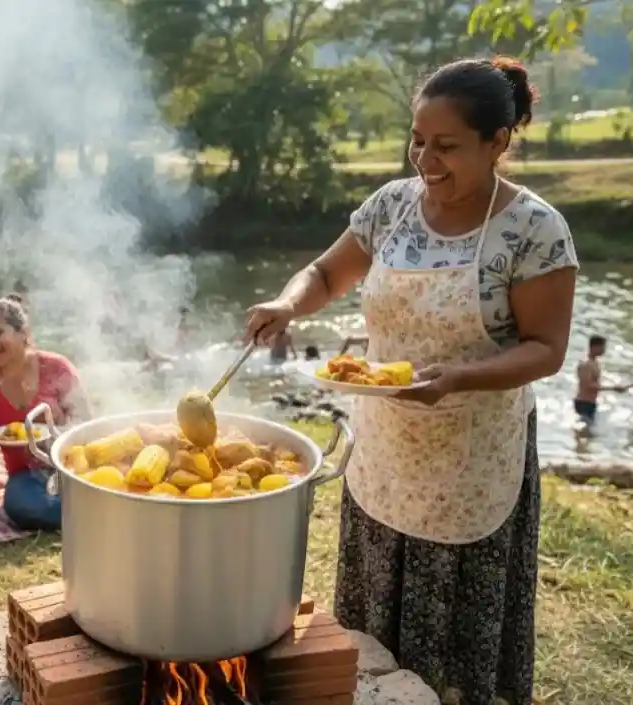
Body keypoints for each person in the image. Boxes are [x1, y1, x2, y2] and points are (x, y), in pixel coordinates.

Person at [244, 57, 578, 705]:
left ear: (497, 142)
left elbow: (545, 349)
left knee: (451, 661)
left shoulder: (533, 230)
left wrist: (458, 377)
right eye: (416, 140)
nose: (425, 159)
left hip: (472, 461)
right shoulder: (392, 206)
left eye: (446, 146)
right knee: (371, 633)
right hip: (385, 448)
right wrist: (287, 304)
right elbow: (322, 273)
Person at [0, 295, 90, 530]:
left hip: (71, 464)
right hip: (28, 477)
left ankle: (90, 510)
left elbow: (86, 422)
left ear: (23, 332)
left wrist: (55, 436)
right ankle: (97, 514)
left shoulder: (57, 367)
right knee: (20, 505)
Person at [574, 335, 608, 421]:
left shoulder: (595, 362)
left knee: (587, 431)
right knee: (583, 431)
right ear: (594, 347)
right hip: (584, 403)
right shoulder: (586, 364)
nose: (604, 350)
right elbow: (588, 386)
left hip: (590, 402)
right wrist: (613, 388)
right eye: (602, 347)